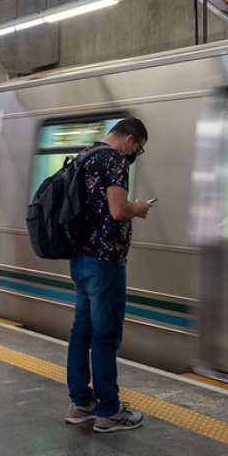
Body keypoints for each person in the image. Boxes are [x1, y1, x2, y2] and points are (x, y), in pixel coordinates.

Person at [63, 118, 152, 433]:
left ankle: (80, 404)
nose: (134, 155)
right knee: (105, 337)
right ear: (128, 140)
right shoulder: (114, 160)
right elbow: (117, 210)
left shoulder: (86, 155)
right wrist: (137, 208)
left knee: (81, 333)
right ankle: (109, 411)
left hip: (80, 258)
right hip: (104, 261)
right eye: (137, 150)